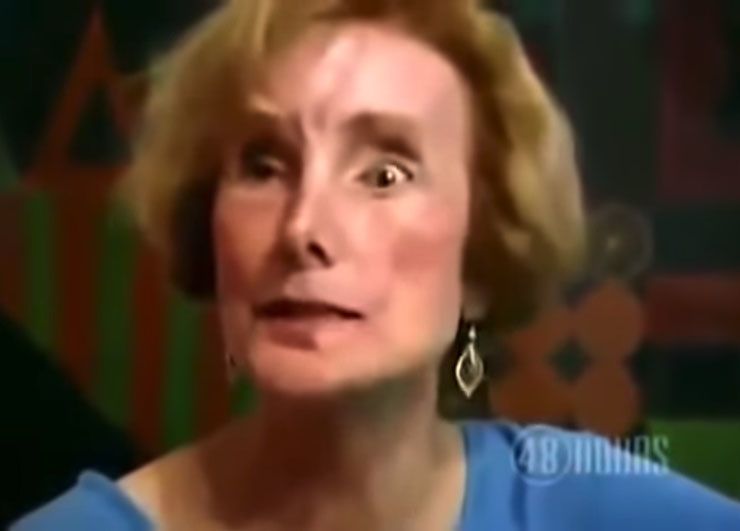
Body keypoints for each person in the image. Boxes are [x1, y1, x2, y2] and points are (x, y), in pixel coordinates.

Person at [12, 0, 740, 529]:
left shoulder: (608, 511)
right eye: (264, 165)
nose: (303, 228)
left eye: (385, 174)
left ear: (482, 253)